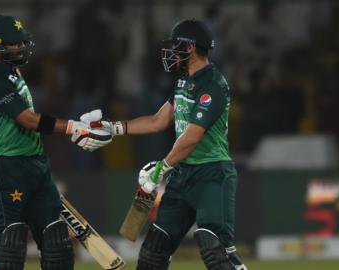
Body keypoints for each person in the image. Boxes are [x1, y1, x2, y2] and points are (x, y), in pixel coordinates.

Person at [96, 19, 247, 270]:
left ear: (189, 47)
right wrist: (114, 128)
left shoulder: (213, 85)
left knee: (215, 251)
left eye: (175, 46)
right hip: (182, 177)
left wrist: (160, 168)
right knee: (153, 254)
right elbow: (157, 121)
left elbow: (191, 137)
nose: (169, 52)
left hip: (212, 175)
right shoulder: (182, 81)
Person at [0, 15, 111, 270]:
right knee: (11, 240)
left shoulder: (12, 73)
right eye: (15, 44)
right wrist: (73, 127)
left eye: (21, 42)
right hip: (8, 166)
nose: (21, 47)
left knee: (56, 239)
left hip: (35, 163)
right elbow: (28, 120)